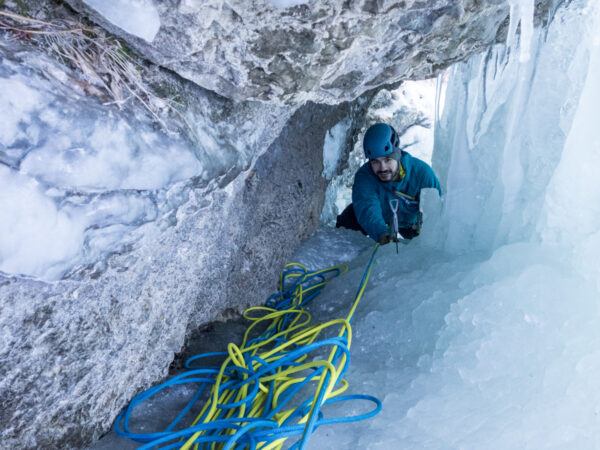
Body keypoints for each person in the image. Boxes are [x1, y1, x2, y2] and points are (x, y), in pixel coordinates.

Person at [336, 123, 441, 245]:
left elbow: (436, 211)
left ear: (397, 155)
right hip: (383, 217)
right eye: (375, 162)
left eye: (387, 159)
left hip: (411, 224)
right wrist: (381, 233)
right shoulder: (365, 177)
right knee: (349, 217)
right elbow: (367, 207)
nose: (382, 168)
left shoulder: (422, 174)